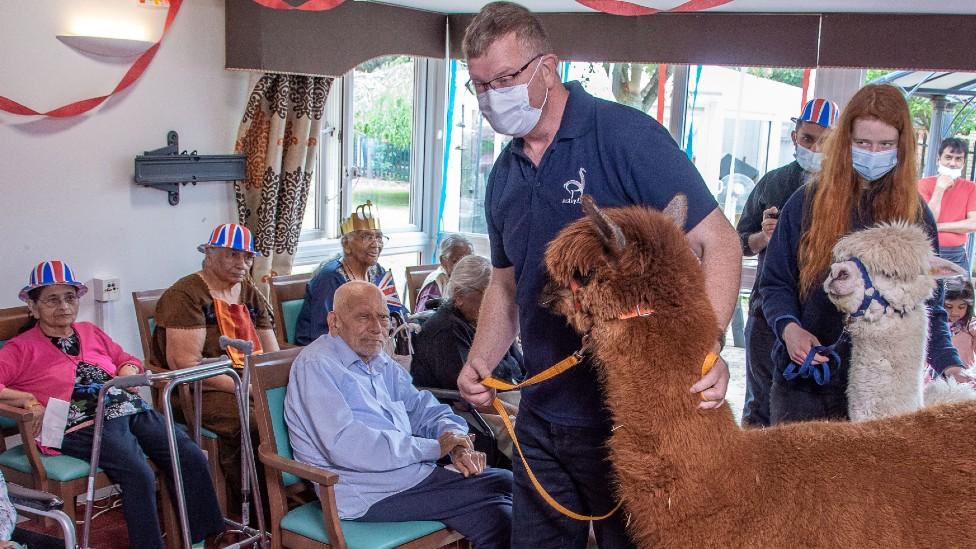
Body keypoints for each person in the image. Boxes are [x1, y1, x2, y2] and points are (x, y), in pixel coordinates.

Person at [456, 3, 740, 547]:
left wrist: (705, 348)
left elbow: (717, 240)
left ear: (549, 66)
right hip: (539, 417)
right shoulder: (504, 176)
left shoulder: (625, 136)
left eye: (506, 79)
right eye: (480, 86)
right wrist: (481, 360)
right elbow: (507, 285)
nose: (493, 96)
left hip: (630, 419)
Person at [760, 84, 969, 425]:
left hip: (881, 390)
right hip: (807, 380)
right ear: (846, 142)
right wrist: (789, 329)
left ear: (901, 146)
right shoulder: (806, 203)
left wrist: (950, 364)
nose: (874, 153)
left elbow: (929, 307)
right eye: (863, 143)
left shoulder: (914, 215)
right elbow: (775, 283)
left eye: (885, 145)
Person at [0, 261, 224, 549]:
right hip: (76, 423)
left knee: (189, 453)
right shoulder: (20, 347)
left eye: (69, 297)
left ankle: (201, 540)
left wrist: (125, 376)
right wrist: (26, 399)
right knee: (137, 472)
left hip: (124, 405)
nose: (64, 306)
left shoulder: (90, 332)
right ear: (32, 306)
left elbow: (126, 359)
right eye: (52, 300)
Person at [285, 281, 513, 549]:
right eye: (363, 317)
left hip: (409, 477)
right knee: (509, 487)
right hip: (365, 493)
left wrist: (457, 443)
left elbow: (421, 407)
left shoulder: (379, 361)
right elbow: (347, 445)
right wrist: (435, 447)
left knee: (500, 514)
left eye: (383, 317)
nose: (376, 328)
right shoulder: (317, 365)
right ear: (334, 322)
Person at [152, 223, 279, 513]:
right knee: (256, 423)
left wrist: (270, 387)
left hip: (247, 383)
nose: (242, 264)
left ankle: (299, 500)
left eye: (247, 257)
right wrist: (244, 388)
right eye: (232, 255)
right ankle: (258, 510)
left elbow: (270, 353)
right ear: (209, 253)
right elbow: (185, 365)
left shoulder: (248, 291)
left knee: (294, 410)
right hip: (199, 390)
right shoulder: (185, 294)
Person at [735, 98, 839, 427]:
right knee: (760, 406)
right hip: (768, 316)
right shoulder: (773, 183)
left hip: (825, 318)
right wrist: (763, 238)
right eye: (808, 139)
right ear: (794, 137)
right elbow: (739, 242)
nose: (815, 147)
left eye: (824, 140)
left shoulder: (848, 191)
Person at [294, 201, 408, 345]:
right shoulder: (330, 278)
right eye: (367, 237)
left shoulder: (377, 271)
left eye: (378, 237)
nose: (375, 244)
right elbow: (322, 333)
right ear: (346, 245)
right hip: (326, 354)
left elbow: (396, 312)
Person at [412, 255, 524, 390]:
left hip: (515, 391)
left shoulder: (489, 320)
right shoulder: (446, 331)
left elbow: (520, 366)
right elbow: (469, 396)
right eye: (487, 294)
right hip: (479, 406)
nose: (494, 303)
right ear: (459, 296)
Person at [917, 137, 976, 277]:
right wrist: (939, 189)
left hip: (956, 254)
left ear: (963, 162)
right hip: (928, 252)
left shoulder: (971, 188)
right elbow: (927, 220)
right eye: (948, 157)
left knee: (960, 298)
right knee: (926, 297)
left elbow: (973, 223)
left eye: (958, 159)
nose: (952, 163)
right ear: (939, 159)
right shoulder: (922, 185)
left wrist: (938, 227)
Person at [415, 234, 474, 313]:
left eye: (467, 261)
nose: (462, 266)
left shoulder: (469, 280)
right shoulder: (435, 283)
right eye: (456, 261)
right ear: (443, 260)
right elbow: (423, 318)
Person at [944, 279, 976, 368]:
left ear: (968, 306)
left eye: (961, 307)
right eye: (949, 307)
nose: (955, 312)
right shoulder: (936, 325)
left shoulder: (971, 326)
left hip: (963, 376)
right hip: (937, 375)